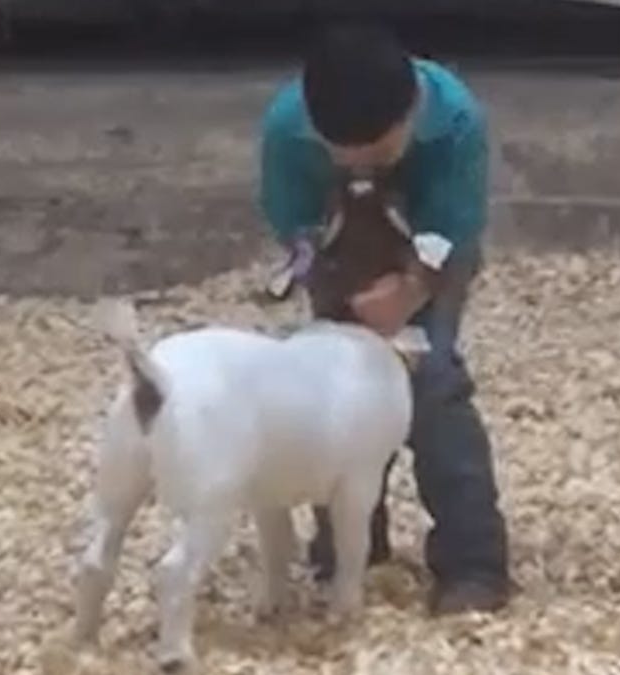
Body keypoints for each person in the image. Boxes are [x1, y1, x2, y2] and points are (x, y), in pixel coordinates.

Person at [255, 21, 512, 616]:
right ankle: (348, 542)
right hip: (338, 250)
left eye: (379, 154)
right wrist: (310, 270)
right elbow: (293, 222)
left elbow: (455, 226)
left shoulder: (455, 122)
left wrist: (413, 288)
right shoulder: (287, 130)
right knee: (335, 389)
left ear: (409, 116)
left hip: (432, 251)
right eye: (343, 157)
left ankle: (473, 560)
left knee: (432, 383)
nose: (361, 166)